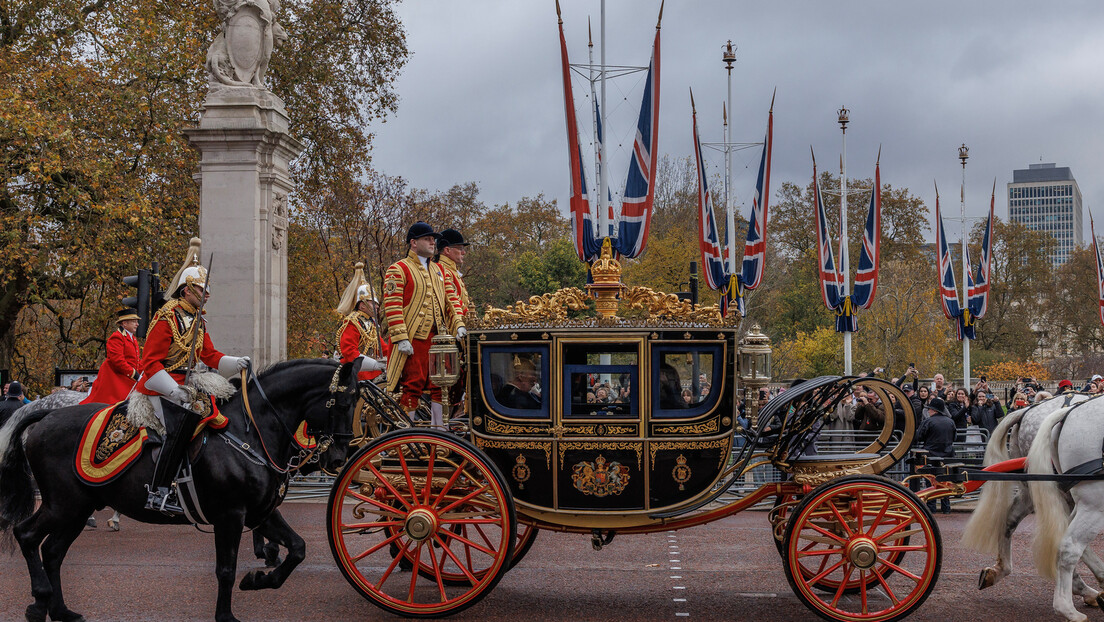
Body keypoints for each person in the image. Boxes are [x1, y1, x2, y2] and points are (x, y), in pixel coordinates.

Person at [136, 237, 250, 513]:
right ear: (187, 291)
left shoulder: (197, 320)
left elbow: (209, 356)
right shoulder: (166, 317)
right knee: (180, 427)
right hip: (159, 386)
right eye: (202, 290)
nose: (207, 294)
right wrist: (173, 391)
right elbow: (149, 363)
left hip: (187, 385)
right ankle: (159, 491)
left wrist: (236, 362)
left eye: (208, 290)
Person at [383, 222, 466, 427]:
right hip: (414, 339)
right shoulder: (399, 268)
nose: (432, 242)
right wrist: (401, 338)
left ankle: (440, 432)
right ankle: (405, 435)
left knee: (441, 386)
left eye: (433, 239)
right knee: (413, 385)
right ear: (413, 243)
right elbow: (393, 306)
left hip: (439, 339)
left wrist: (459, 325)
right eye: (427, 239)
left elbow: (452, 301)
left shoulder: (440, 271)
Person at [435, 228, 472, 407]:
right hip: (448, 337)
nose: (463, 252)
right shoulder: (443, 270)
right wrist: (459, 325)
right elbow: (452, 300)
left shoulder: (451, 271)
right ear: (447, 250)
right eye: (460, 248)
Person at [334, 262, 388, 382]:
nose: (377, 307)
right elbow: (349, 352)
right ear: (362, 305)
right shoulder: (353, 322)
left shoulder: (372, 324)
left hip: (372, 372)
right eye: (373, 303)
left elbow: (382, 348)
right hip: (354, 373)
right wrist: (375, 365)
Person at [81, 308, 143, 405]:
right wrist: (136, 375)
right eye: (134, 322)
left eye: (137, 322)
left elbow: (136, 361)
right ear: (125, 323)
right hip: (116, 378)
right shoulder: (117, 337)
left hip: (128, 376)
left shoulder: (132, 338)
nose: (137, 324)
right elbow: (118, 361)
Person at [915, 397, 956, 514]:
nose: (928, 411)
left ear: (934, 410)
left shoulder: (928, 421)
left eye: (929, 409)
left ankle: (932, 509)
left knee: (931, 482)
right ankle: (946, 508)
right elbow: (954, 437)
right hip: (947, 456)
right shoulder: (950, 421)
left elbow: (919, 436)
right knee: (945, 482)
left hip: (931, 456)